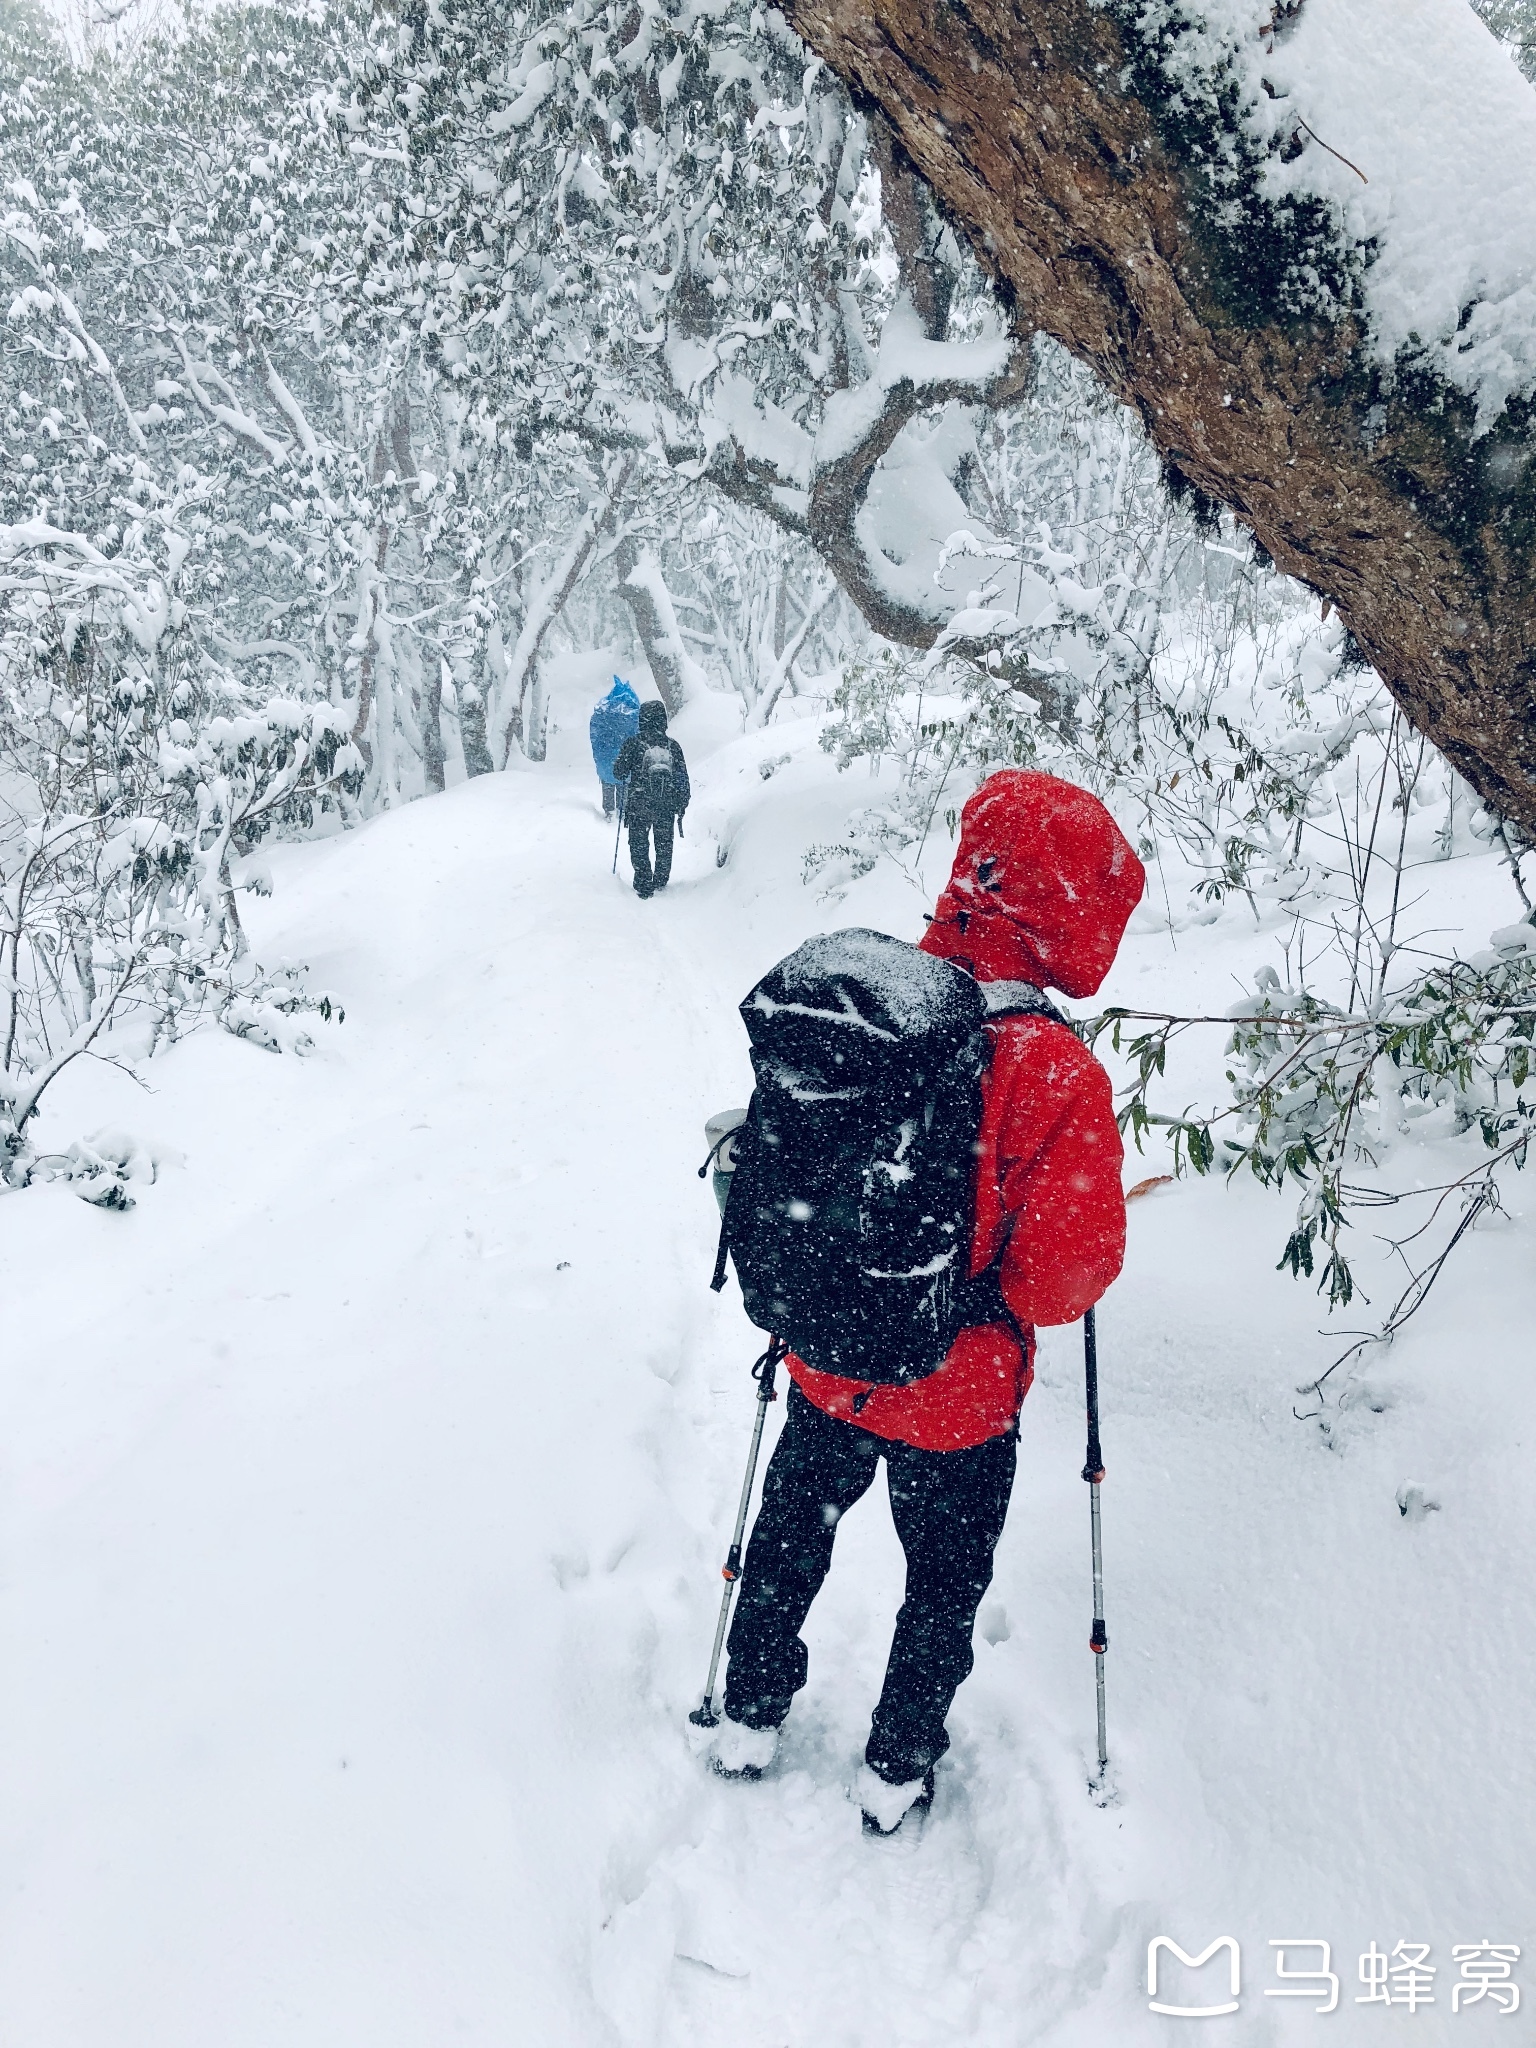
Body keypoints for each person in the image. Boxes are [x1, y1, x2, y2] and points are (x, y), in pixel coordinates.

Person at [706, 770, 1146, 1832]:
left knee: (790, 1535)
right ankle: (895, 1767)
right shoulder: (1053, 1070)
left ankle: (750, 1707)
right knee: (942, 1585)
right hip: (957, 1399)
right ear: (1076, 908)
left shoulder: (864, 1001)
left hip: (826, 1353)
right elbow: (1057, 1282)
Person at [613, 699, 690, 899]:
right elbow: (682, 777)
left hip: (639, 803)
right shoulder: (672, 746)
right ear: (664, 720)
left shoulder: (633, 744)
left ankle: (643, 881)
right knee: (664, 842)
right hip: (666, 804)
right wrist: (682, 802)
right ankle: (661, 879)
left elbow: (618, 773)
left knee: (638, 842)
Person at [589, 677, 640, 817]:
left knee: (608, 783)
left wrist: (599, 755)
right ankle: (621, 810)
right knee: (623, 783)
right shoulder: (632, 713)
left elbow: (595, 735)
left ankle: (609, 810)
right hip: (625, 759)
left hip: (606, 757)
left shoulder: (604, 711)